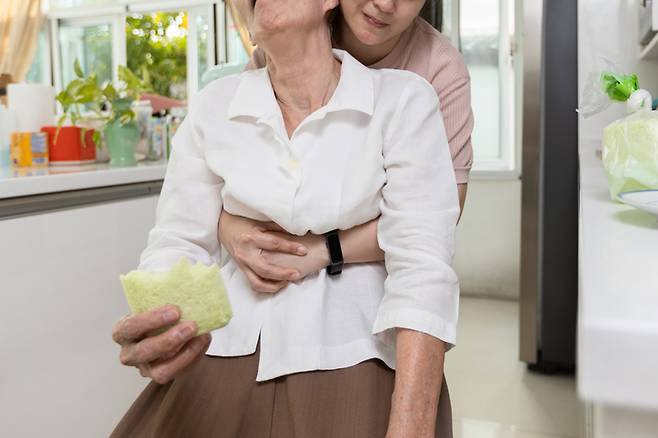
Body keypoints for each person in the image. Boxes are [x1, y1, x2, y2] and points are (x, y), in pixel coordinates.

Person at [111, 0, 460, 436]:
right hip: (225, 352)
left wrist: (411, 423)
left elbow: (422, 264)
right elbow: (178, 240)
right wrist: (160, 326)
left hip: (356, 353)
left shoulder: (404, 97)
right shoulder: (213, 106)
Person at [218, 0, 474, 294]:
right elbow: (231, 172)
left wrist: (323, 251)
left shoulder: (439, 70)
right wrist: (230, 229)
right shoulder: (293, 36)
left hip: (376, 291)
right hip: (272, 290)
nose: (384, 4)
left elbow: (438, 215)